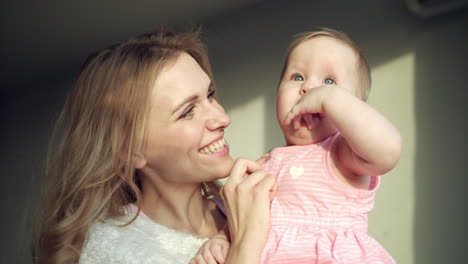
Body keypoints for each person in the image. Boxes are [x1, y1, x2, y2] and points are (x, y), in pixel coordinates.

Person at [32, 27, 276, 264]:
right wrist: (246, 241)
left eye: (210, 95)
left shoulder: (246, 206)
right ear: (130, 150)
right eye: (188, 111)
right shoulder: (113, 250)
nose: (223, 119)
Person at [194, 28, 401, 263]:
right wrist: (222, 239)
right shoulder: (266, 163)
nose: (308, 88)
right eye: (297, 77)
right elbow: (244, 216)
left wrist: (330, 99)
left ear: (353, 107)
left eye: (329, 82)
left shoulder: (342, 152)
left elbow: (389, 151)